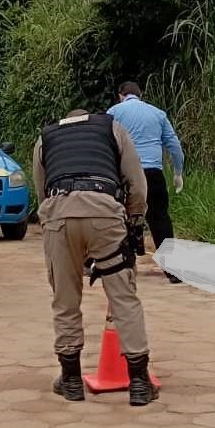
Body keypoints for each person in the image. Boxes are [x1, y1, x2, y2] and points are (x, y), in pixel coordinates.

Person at [32, 108, 159, 406]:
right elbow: (136, 181)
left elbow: (41, 190)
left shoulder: (45, 137)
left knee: (65, 300)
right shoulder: (112, 129)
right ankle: (139, 382)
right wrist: (135, 218)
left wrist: (52, 222)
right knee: (123, 298)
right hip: (104, 213)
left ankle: (71, 380)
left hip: (59, 215)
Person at [107, 81, 184, 283]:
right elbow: (174, 146)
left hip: (126, 173)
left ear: (120, 95)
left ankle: (119, 265)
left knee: (120, 216)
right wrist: (178, 172)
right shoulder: (158, 113)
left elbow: (105, 142)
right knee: (160, 219)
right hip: (153, 172)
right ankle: (172, 270)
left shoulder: (114, 112)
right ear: (140, 95)